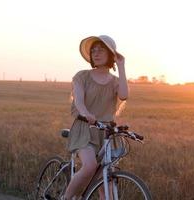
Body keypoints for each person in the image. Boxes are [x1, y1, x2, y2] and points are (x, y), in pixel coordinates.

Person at [63, 35, 129, 199]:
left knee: (104, 179)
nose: (96, 53)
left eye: (101, 50)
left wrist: (121, 65)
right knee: (90, 166)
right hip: (85, 128)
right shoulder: (82, 76)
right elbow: (78, 100)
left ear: (110, 54)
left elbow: (124, 95)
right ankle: (66, 198)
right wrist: (86, 113)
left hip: (105, 132)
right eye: (93, 51)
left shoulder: (114, 81)